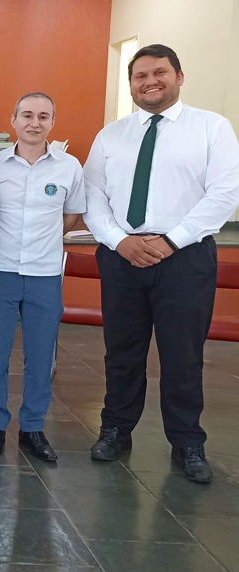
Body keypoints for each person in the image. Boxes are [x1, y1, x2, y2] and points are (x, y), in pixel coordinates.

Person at [83, 44, 239, 483]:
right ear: (131, 84)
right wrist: (120, 241)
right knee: (121, 351)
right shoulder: (110, 135)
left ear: (179, 77)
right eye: (140, 76)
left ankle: (187, 442)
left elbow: (224, 194)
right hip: (122, 256)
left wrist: (171, 241)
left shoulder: (211, 128)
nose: (150, 81)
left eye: (159, 73)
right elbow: (92, 195)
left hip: (185, 258)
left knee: (183, 355)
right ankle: (116, 429)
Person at [0, 93, 86, 461]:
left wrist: (43, 243)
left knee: (40, 356)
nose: (35, 123)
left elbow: (71, 215)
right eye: (27, 115)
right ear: (14, 119)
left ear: (53, 122)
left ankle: (32, 428)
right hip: (0, 272)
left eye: (43, 116)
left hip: (44, 274)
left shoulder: (69, 167)